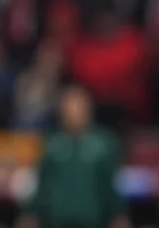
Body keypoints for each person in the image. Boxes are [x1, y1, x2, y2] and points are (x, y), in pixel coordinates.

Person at [16, 87, 131, 228]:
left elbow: (112, 184)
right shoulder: (51, 142)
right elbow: (41, 184)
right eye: (69, 106)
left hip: (93, 221)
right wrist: (30, 213)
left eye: (78, 106)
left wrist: (119, 214)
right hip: (56, 221)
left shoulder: (104, 142)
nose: (74, 111)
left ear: (88, 109)